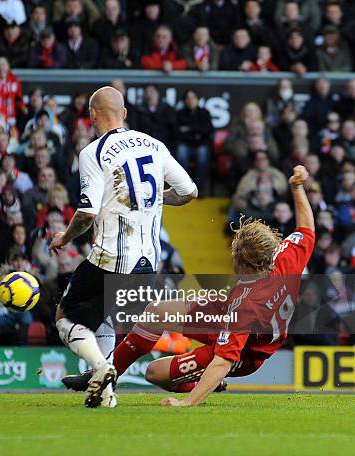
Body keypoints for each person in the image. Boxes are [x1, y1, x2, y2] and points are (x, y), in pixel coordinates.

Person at [63, 166, 315, 407]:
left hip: (247, 353)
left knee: (154, 373)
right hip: (226, 314)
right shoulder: (285, 257)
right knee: (155, 312)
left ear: (244, 266)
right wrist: (296, 187)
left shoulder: (247, 305)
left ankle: (202, 384)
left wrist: (186, 403)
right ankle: (108, 374)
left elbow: (223, 361)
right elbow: (307, 229)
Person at [49, 86, 198, 408]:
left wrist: (64, 238)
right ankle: (105, 394)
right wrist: (157, 197)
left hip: (111, 256)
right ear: (124, 113)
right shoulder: (155, 146)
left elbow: (87, 213)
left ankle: (101, 369)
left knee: (65, 315)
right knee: (105, 316)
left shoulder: (93, 152)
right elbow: (189, 192)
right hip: (148, 261)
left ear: (92, 115)